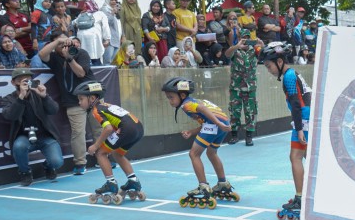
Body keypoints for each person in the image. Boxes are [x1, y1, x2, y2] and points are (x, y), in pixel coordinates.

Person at [161, 77, 238, 207]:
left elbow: (202, 109)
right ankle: (222, 183)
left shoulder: (187, 105)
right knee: (212, 153)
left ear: (182, 95)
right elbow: (205, 120)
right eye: (168, 97)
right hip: (222, 123)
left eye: (171, 97)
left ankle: (203, 186)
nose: (169, 101)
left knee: (194, 154)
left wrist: (217, 123)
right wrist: (192, 132)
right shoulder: (194, 101)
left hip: (216, 124)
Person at [260, 42, 311, 220]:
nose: (268, 70)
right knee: (308, 157)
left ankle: (300, 198)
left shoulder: (289, 77)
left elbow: (296, 104)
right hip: (307, 116)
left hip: (303, 117)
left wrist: (298, 129)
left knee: (295, 157)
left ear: (279, 61)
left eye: (269, 66)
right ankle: (308, 193)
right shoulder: (291, 74)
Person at [74, 80, 145, 203]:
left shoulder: (96, 110)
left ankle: (110, 183)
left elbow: (108, 128)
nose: (79, 102)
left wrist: (95, 146)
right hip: (138, 127)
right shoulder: (106, 105)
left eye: (81, 99)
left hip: (126, 129)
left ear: (91, 98)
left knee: (100, 153)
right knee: (117, 154)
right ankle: (133, 180)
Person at [39, 32, 99, 175]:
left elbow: (81, 74)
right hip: (72, 100)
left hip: (92, 97)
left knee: (99, 129)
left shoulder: (81, 53)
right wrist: (58, 41)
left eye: (67, 41)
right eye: (61, 43)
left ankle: (104, 156)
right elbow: (42, 54)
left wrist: (70, 58)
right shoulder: (54, 58)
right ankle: (80, 163)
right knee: (78, 133)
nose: (65, 44)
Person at [1, 67, 64, 186]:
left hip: (44, 135)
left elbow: (54, 110)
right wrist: (21, 98)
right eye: (21, 80)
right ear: (13, 83)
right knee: (19, 146)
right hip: (23, 136)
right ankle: (25, 172)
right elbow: (10, 116)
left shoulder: (38, 94)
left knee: (57, 162)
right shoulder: (8, 99)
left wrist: (45, 97)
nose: (25, 82)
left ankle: (48, 166)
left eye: (28, 79)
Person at [224, 28, 259, 146]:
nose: (245, 41)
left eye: (247, 38)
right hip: (236, 87)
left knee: (250, 112)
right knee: (235, 112)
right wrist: (236, 46)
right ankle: (234, 136)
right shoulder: (235, 51)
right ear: (239, 39)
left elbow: (264, 53)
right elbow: (227, 54)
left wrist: (261, 44)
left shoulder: (254, 51)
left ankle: (249, 137)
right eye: (243, 38)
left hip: (250, 87)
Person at [74, 0, 111, 66]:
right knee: (96, 60)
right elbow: (105, 27)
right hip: (94, 40)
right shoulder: (100, 13)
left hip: (81, 40)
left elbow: (74, 23)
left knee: (83, 61)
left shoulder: (82, 14)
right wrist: (107, 39)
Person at [28, 0, 54, 68]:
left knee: (47, 58)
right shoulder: (36, 13)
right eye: (46, 1)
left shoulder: (48, 14)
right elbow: (33, 27)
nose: (48, 3)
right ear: (40, 1)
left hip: (48, 41)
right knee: (39, 57)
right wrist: (34, 40)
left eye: (49, 2)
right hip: (39, 41)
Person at [100, 0, 121, 65]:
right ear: (108, 0)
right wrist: (112, 13)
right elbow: (107, 23)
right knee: (107, 62)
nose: (114, 2)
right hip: (109, 41)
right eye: (112, 0)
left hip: (116, 40)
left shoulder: (115, 10)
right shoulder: (104, 9)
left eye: (115, 0)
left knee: (113, 63)